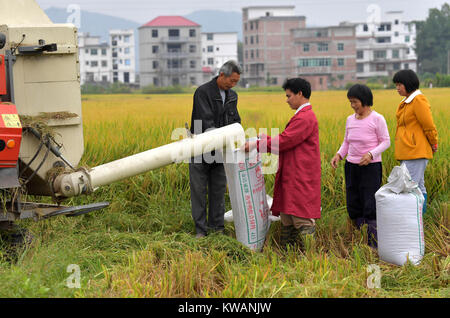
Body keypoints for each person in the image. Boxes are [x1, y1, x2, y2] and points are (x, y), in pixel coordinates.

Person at [245, 78, 321, 250]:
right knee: (288, 214)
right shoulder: (301, 116)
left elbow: (285, 140)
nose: (286, 100)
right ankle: (289, 253)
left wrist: (257, 144)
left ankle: (310, 257)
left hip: (300, 174)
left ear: (300, 94)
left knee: (301, 215)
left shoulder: (305, 118)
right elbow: (286, 139)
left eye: (289, 96)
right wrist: (264, 139)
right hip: (293, 172)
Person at [330, 84, 390, 248]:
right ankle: (359, 239)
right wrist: (339, 155)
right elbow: (347, 142)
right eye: (350, 102)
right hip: (351, 166)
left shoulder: (377, 119)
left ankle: (373, 244)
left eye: (355, 102)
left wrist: (371, 154)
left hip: (370, 168)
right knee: (354, 202)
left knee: (370, 203)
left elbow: (386, 142)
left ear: (364, 100)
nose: (353, 105)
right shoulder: (350, 119)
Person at [189, 60, 242, 238]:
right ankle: (200, 230)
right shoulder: (203, 92)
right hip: (200, 150)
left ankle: (217, 229)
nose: (233, 85)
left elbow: (235, 120)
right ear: (221, 75)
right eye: (231, 81)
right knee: (199, 191)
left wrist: (236, 135)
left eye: (236, 82)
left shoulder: (232, 95)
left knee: (218, 191)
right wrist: (223, 137)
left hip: (221, 152)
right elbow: (205, 122)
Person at [392, 69, 438, 214]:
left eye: (400, 84)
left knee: (409, 187)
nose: (397, 88)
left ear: (408, 83)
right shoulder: (407, 101)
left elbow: (428, 125)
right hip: (409, 150)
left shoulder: (418, 100)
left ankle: (413, 219)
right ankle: (420, 219)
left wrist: (433, 142)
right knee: (418, 186)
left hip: (415, 151)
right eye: (396, 85)